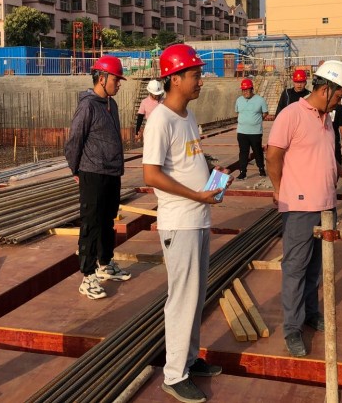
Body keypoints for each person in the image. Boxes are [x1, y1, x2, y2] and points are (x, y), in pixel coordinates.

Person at [142, 43, 225, 403]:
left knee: (196, 295)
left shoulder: (187, 117)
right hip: (180, 221)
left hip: (198, 217)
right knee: (182, 298)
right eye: (195, 75)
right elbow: (151, 175)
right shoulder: (160, 120)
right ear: (174, 78)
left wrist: (210, 174)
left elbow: (188, 160)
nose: (200, 81)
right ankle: (174, 375)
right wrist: (196, 195)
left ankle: (189, 360)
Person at [265, 60, 342, 358]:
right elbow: (273, 155)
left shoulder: (326, 119)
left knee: (315, 267)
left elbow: (325, 154)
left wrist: (341, 172)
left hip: (326, 205)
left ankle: (309, 313)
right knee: (295, 268)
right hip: (299, 207)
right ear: (325, 89)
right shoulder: (291, 115)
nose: (339, 102)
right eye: (338, 96)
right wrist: (279, 189)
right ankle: (292, 329)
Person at [65, 55, 131, 301]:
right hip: (92, 173)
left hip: (111, 173)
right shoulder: (88, 106)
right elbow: (74, 140)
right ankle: (88, 275)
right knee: (91, 223)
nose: (119, 83)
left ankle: (105, 263)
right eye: (116, 79)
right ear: (101, 79)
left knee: (107, 220)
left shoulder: (111, 105)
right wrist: (76, 170)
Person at [234, 78, 268, 180]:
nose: (245, 92)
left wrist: (256, 120)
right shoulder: (239, 100)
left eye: (247, 90)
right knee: (243, 152)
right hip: (242, 132)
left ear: (252, 89)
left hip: (255, 132)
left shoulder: (260, 100)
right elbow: (237, 112)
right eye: (243, 90)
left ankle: (261, 169)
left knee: (257, 151)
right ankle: (242, 172)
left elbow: (265, 113)